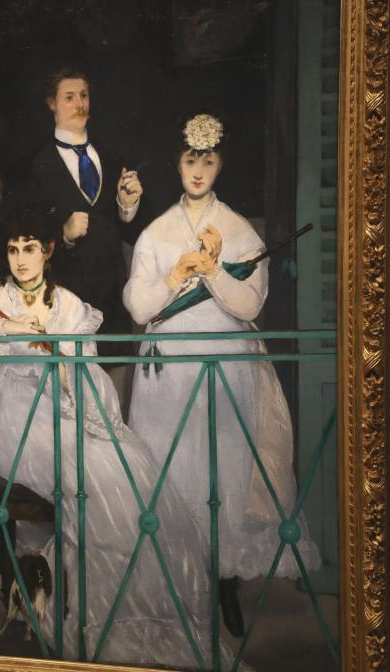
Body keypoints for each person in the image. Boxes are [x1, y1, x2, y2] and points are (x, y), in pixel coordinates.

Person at [0, 210, 243, 669]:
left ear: (48, 251)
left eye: (30, 248)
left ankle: (123, 616)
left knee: (125, 469)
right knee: (81, 468)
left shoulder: (68, 306)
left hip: (58, 411)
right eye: (13, 249)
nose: (20, 259)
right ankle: (71, 608)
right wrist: (7, 329)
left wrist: (64, 372)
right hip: (6, 416)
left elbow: (88, 380)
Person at [123, 113, 320, 636]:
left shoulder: (237, 230)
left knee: (222, 468)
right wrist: (177, 272)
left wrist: (213, 270)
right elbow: (139, 307)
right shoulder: (156, 232)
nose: (197, 170)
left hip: (226, 365)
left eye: (208, 161)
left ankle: (223, 579)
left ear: (220, 165)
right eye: (190, 160)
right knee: (171, 466)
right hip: (168, 374)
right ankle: (175, 579)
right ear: (177, 163)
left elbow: (250, 302)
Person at [24, 68, 148, 362]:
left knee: (113, 377)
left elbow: (131, 231)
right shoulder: (36, 165)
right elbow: (25, 236)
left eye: (84, 96)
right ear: (51, 104)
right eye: (69, 97)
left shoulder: (112, 157)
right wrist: (63, 235)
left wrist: (127, 206)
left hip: (111, 298)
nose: (79, 104)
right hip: (65, 296)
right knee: (68, 378)